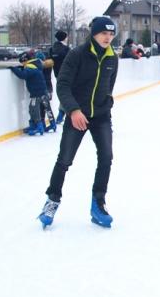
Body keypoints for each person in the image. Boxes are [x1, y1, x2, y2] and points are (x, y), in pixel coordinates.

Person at [40, 16, 118, 229]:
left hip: (101, 116)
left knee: (106, 157)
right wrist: (73, 110)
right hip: (77, 115)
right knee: (64, 160)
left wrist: (107, 103)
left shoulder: (113, 58)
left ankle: (98, 204)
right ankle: (52, 201)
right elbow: (63, 85)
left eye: (111, 34)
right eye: (104, 33)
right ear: (94, 33)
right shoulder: (77, 55)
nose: (108, 38)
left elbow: (109, 85)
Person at [11, 51, 50, 136]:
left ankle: (38, 126)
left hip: (37, 93)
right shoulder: (34, 65)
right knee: (32, 108)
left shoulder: (30, 68)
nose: (22, 64)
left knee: (34, 109)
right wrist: (21, 67)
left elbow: (23, 75)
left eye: (22, 62)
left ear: (25, 60)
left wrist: (13, 69)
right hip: (40, 91)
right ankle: (33, 125)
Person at [51, 30, 71, 124]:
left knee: (63, 93)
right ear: (64, 38)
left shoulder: (52, 49)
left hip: (57, 74)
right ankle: (62, 113)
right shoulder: (66, 49)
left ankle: (62, 113)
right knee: (68, 93)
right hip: (67, 74)